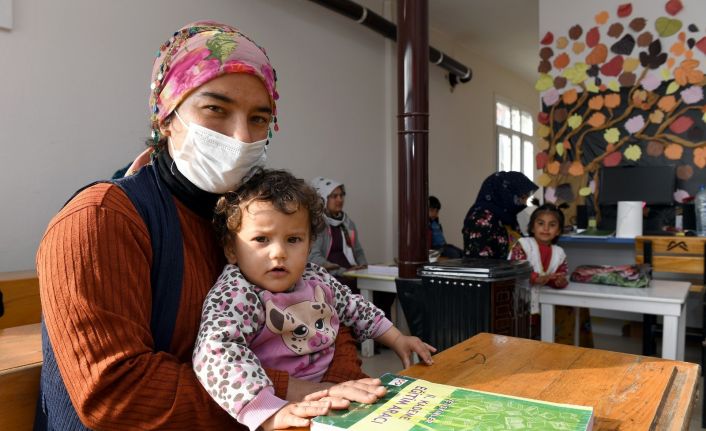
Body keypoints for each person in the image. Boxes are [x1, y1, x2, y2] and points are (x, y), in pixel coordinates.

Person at [35, 21, 386, 430]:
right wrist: (287, 391)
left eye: (258, 118)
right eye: (216, 109)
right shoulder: (100, 220)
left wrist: (338, 387)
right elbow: (118, 392)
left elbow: (320, 307)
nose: (240, 136)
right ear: (166, 116)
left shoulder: (251, 214)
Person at [195, 168, 436, 431]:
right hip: (278, 409)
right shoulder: (238, 292)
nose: (278, 253)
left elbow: (355, 307)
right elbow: (216, 352)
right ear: (231, 248)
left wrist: (396, 338)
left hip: (338, 395)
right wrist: (266, 412)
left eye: (293, 240)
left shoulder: (315, 277)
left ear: (310, 245)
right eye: (261, 239)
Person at [308, 177, 396, 328]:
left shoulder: (347, 223)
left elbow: (358, 251)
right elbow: (314, 258)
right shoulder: (318, 224)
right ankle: (362, 336)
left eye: (341, 195)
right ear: (323, 198)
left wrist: (364, 267)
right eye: (334, 196)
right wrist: (344, 271)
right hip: (335, 275)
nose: (340, 199)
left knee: (386, 291)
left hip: (353, 272)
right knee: (352, 289)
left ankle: (380, 334)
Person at [508, 203, 593, 347]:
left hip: (542, 304)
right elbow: (515, 269)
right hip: (519, 304)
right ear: (532, 227)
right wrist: (536, 278)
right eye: (541, 223)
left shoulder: (559, 252)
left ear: (559, 231)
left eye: (552, 225)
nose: (546, 228)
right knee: (519, 342)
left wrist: (559, 282)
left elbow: (561, 274)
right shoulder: (522, 244)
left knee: (539, 341)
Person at [462, 171, 538, 259]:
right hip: (492, 272)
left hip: (509, 271)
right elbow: (480, 263)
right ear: (506, 194)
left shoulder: (506, 215)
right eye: (521, 198)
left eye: (526, 198)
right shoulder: (480, 219)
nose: (524, 203)